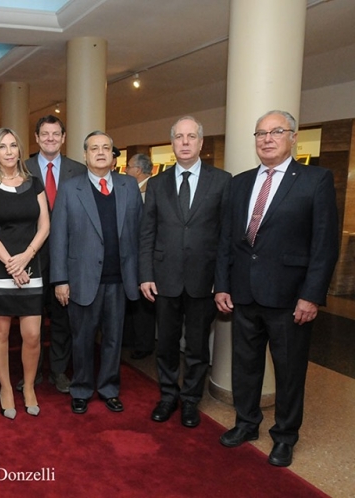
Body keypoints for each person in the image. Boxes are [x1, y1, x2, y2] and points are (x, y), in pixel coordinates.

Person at [214, 110, 339, 467]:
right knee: (245, 365)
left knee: (289, 371)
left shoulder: (315, 180)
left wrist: (312, 295)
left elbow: (324, 245)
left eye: (276, 132)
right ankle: (246, 423)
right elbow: (227, 240)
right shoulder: (239, 183)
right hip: (243, 294)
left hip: (290, 298)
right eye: (260, 133)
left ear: (293, 137)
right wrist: (222, 284)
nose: (267, 139)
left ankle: (284, 435)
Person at [139, 116, 231, 428]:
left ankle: (191, 399)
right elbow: (147, 233)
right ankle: (168, 395)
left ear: (201, 143)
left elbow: (225, 237)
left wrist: (222, 281)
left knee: (196, 346)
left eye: (192, 136)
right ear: (173, 143)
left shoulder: (222, 181)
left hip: (203, 281)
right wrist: (145, 274)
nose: (186, 142)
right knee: (164, 344)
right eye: (180, 137)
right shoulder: (157, 183)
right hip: (163, 279)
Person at [49, 131, 142, 415]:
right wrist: (60, 279)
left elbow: (139, 234)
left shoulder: (129, 186)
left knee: (114, 339)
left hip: (120, 278)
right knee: (83, 339)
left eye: (106, 148)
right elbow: (59, 237)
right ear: (85, 155)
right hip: (81, 280)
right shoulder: (70, 188)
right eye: (94, 148)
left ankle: (109, 388)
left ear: (114, 156)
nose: (100, 152)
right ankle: (81, 388)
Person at [0, 128, 49, 419]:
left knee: (32, 335)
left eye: (13, 145)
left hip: (31, 266)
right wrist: (10, 263)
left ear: (19, 150)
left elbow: (44, 226)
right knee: (1, 333)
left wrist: (26, 257)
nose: (9, 151)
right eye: (3, 146)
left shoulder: (34, 184)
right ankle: (5, 387)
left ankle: (28, 386)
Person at [22, 114, 86, 394]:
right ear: (36, 138)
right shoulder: (21, 169)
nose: (50, 138)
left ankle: (59, 371)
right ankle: (32, 372)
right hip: (32, 257)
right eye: (44, 134)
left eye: (55, 134)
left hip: (68, 257)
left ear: (63, 138)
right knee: (31, 319)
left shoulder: (79, 170)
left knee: (62, 319)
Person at [124, 153, 156, 360]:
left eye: (128, 167)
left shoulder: (149, 190)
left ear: (137, 170)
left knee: (144, 303)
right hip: (130, 255)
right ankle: (130, 338)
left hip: (144, 255)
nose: (125, 170)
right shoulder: (132, 189)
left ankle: (144, 344)